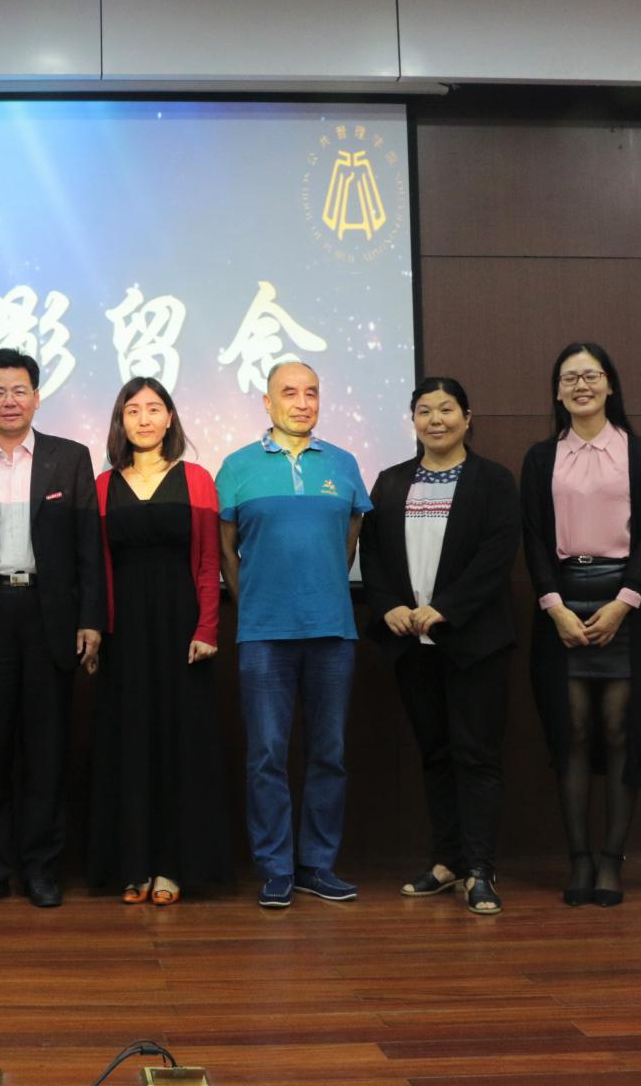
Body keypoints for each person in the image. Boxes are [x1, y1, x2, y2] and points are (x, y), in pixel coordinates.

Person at [0, 348, 106, 909]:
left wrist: (91, 619)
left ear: (37, 397)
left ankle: (41, 870)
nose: (10, 401)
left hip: (49, 618)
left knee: (47, 754)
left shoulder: (69, 458)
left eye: (20, 390)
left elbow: (88, 548)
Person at [360, 376, 520, 916]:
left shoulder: (493, 481)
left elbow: (497, 555)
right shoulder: (391, 481)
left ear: (467, 418)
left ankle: (480, 869)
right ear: (413, 421)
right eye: (424, 410)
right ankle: (447, 861)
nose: (436, 420)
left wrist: (447, 607)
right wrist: (388, 605)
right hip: (411, 644)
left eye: (447, 409)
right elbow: (373, 553)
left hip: (473, 642)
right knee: (435, 754)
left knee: (477, 756)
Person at [216, 359, 371, 910]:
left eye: (311, 393)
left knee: (329, 753)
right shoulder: (236, 466)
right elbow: (227, 551)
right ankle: (276, 868)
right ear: (267, 402)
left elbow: (350, 539)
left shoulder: (344, 464)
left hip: (332, 630)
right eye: (289, 392)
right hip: (263, 634)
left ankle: (317, 865)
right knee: (266, 755)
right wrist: (257, 601)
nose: (302, 403)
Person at [521, 341, 641, 908]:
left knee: (619, 730)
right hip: (561, 598)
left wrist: (625, 601)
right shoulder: (541, 457)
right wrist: (553, 606)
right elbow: (533, 537)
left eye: (591, 375)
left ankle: (611, 859)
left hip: (626, 602)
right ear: (557, 392)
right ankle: (579, 858)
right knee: (572, 731)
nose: (581, 385)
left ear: (610, 385)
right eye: (570, 378)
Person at [88, 377, 228, 906]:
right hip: (123, 631)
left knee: (179, 743)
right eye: (133, 410)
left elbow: (210, 560)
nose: (144, 419)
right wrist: (97, 631)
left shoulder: (196, 479)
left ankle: (172, 866)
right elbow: (96, 566)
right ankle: (133, 863)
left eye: (153, 408)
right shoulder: (103, 485)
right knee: (128, 743)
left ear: (170, 418)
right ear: (120, 421)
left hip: (182, 629)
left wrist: (207, 628)